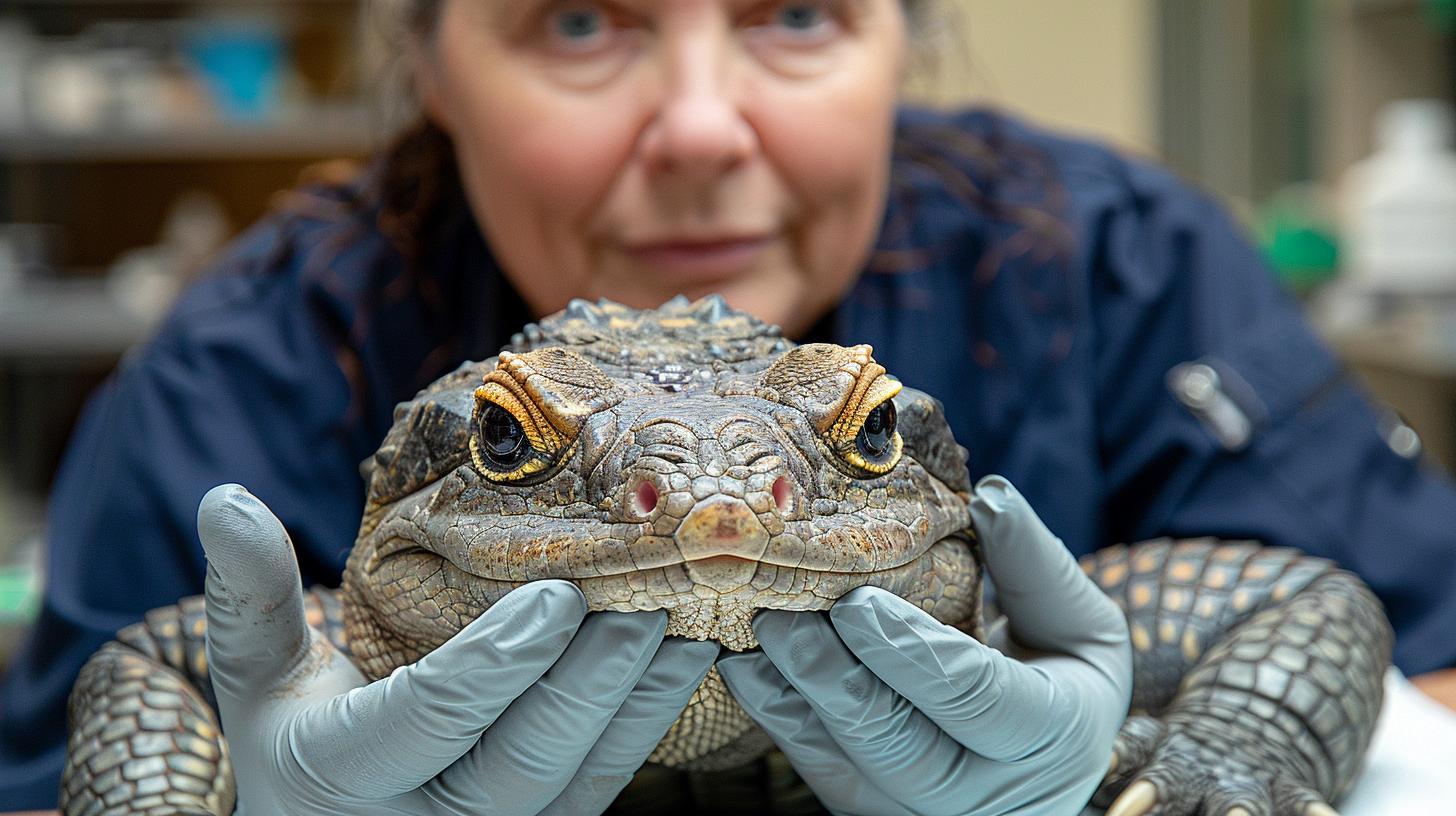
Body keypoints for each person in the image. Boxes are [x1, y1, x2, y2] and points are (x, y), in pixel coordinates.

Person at [2, 0, 1454, 811]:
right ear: (425, 53)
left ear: (906, 33)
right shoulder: (243, 360)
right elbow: (127, 685)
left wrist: (1205, 787)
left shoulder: (1125, 258)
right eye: (578, 22)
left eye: (798, 13)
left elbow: (1375, 629)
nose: (702, 129)